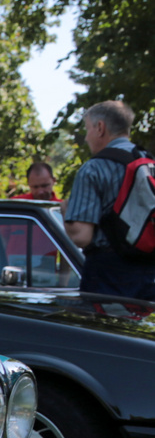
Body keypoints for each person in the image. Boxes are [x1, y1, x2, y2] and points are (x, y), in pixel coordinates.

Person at [64, 100, 155, 299]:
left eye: (87, 129)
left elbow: (82, 236)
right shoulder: (148, 162)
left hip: (107, 275)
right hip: (149, 270)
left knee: (101, 329)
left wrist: (66, 214)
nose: (86, 137)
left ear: (100, 128)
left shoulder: (93, 168)